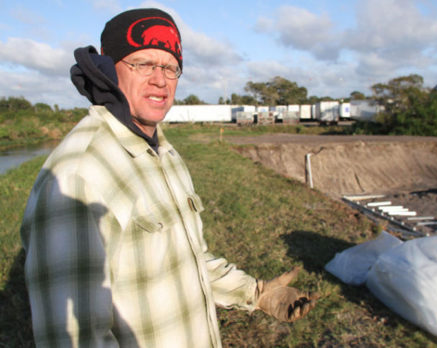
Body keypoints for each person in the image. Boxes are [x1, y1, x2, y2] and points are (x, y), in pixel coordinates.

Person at [20, 8, 318, 347]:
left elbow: (185, 262)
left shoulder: (164, 153)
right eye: (143, 64)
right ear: (108, 68)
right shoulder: (78, 175)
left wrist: (256, 293)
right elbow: (74, 338)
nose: (160, 79)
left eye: (170, 67)